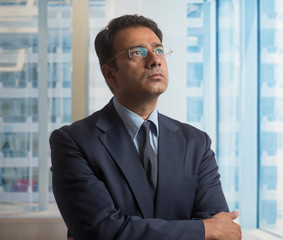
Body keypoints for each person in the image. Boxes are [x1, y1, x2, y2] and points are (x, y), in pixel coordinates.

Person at [50, 14, 242, 240]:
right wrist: (203, 230)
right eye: (137, 52)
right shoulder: (74, 141)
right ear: (110, 75)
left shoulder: (196, 142)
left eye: (159, 50)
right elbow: (101, 230)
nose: (154, 59)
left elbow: (222, 232)